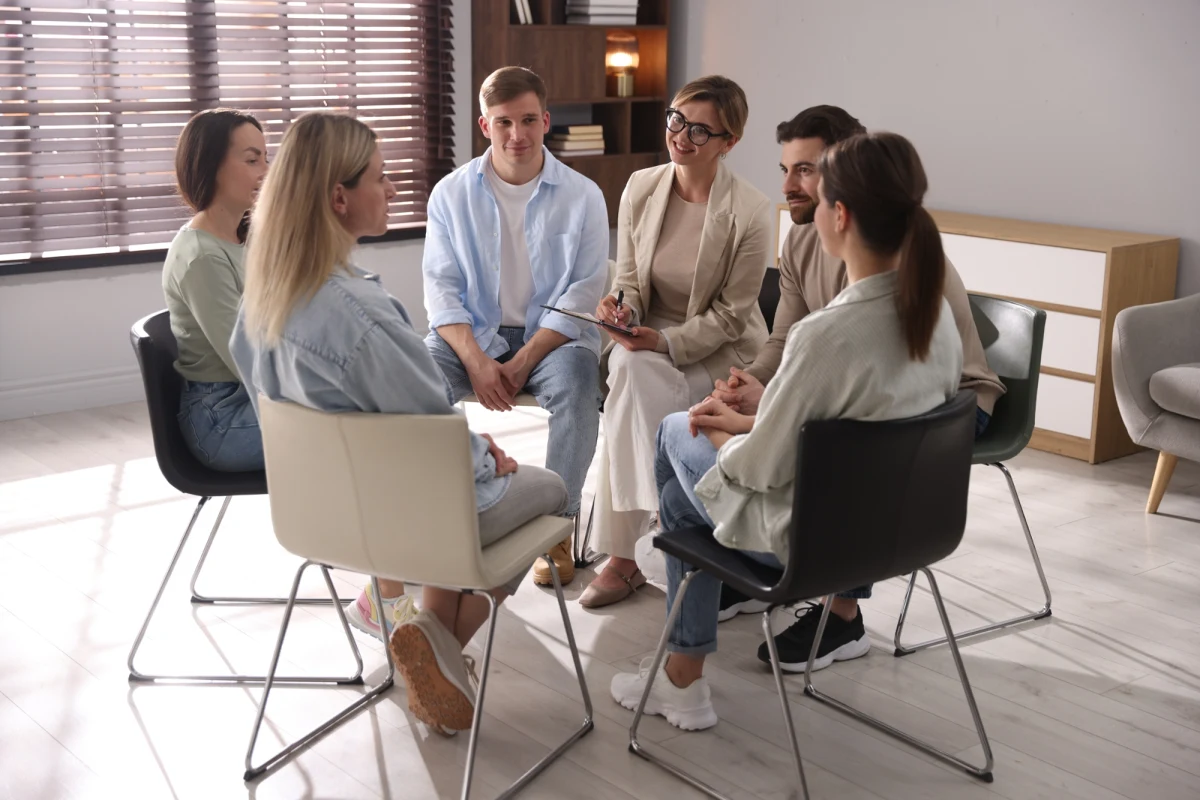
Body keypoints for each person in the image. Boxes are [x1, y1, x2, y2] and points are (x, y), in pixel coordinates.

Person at [610, 132, 963, 730]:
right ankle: (681, 667)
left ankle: (683, 673)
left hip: (813, 544)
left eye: (817, 196)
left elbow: (759, 469)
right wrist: (753, 421)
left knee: (676, 437)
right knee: (683, 495)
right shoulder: (936, 317)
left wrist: (722, 433)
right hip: (900, 533)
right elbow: (849, 427)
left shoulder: (828, 335)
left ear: (840, 214)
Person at [230, 112, 569, 735]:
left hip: (320, 518)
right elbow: (433, 443)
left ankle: (420, 638)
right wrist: (482, 455)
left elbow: (397, 427)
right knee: (550, 491)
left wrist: (468, 446)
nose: (390, 190)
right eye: (381, 179)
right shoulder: (365, 319)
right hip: (404, 518)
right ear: (340, 197)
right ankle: (436, 636)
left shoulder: (260, 304)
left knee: (461, 470)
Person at [712, 106, 1006, 669]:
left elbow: (888, 379)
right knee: (800, 437)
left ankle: (840, 612)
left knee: (843, 451)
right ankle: (757, 564)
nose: (789, 186)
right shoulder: (802, 241)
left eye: (806, 171)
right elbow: (789, 340)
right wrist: (754, 381)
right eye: (786, 169)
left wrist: (770, 411)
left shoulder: (911, 258)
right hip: (860, 388)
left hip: (948, 403)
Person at [580, 75, 771, 608]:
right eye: (676, 120)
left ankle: (625, 558)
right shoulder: (641, 186)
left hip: (713, 350)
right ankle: (672, 529)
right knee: (631, 373)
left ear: (729, 142)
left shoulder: (752, 211)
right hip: (645, 341)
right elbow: (633, 281)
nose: (681, 136)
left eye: (700, 131)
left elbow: (733, 317)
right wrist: (621, 310)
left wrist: (661, 342)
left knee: (630, 384)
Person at [422, 67, 608, 587]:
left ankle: (557, 529)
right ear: (485, 126)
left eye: (528, 120)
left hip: (553, 339)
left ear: (546, 120)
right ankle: (440, 516)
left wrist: (524, 359)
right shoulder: (450, 194)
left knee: (577, 386)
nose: (517, 135)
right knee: (416, 383)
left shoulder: (584, 195)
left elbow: (583, 293)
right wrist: (478, 362)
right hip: (469, 336)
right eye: (504, 122)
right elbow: (441, 288)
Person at [163, 109, 268, 472]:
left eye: (266, 158)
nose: (265, 171)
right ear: (211, 165)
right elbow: (251, 362)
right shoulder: (201, 257)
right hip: (219, 419)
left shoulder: (246, 238)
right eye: (253, 160)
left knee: (368, 415)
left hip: (249, 397)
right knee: (355, 426)